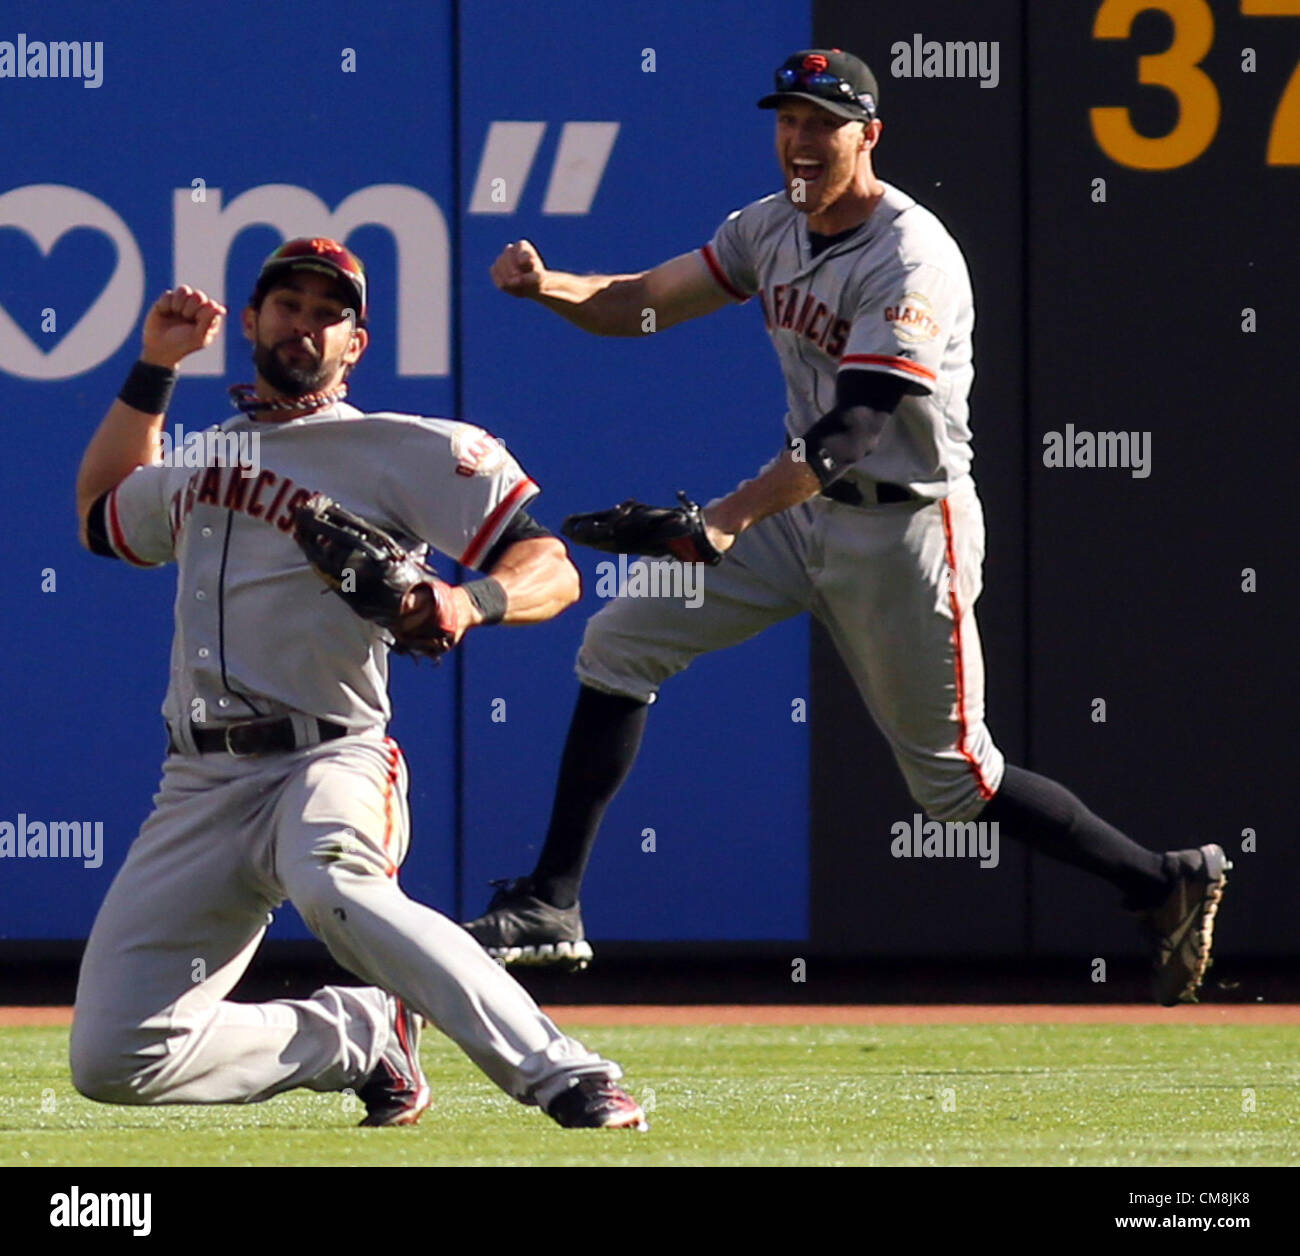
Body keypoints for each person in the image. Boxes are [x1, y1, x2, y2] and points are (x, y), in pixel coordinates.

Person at [462, 50, 1229, 1005]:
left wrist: (725, 519)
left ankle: (1163, 880)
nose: (799, 140)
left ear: (868, 135)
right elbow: (647, 304)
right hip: (798, 511)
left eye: (822, 123)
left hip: (904, 528)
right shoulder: (768, 225)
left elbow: (857, 428)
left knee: (951, 783)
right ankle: (553, 905)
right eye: (787, 120)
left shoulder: (911, 254)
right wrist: (551, 288)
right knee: (621, 642)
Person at [69, 236, 646, 1131]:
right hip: (200, 782)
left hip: (329, 756)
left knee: (337, 886)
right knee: (114, 1057)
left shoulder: (402, 449)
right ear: (253, 321)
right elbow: (103, 516)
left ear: (355, 346)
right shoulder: (196, 459)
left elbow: (554, 568)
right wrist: (153, 366)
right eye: (288, 306)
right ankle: (358, 1036)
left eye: (328, 314)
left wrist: (466, 600)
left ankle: (565, 1072)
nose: (305, 325)